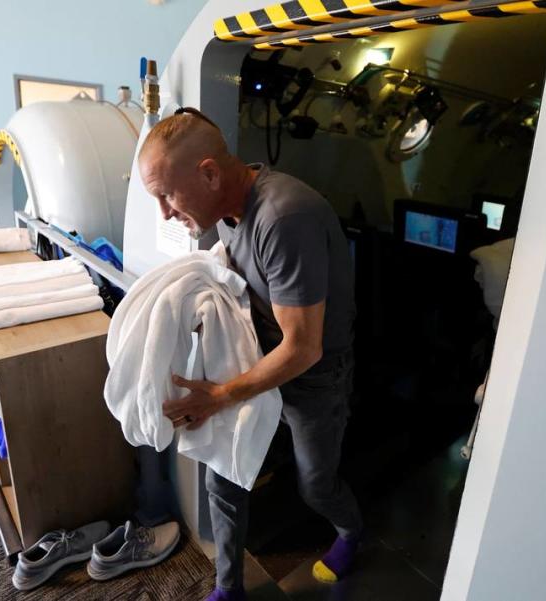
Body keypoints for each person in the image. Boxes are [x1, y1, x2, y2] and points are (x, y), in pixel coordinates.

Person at [138, 108, 363, 601]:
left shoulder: (284, 217)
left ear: (210, 174)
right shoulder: (225, 208)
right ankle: (229, 588)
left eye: (166, 195)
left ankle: (351, 533)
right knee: (223, 474)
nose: (166, 213)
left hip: (313, 374)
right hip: (262, 357)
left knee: (316, 485)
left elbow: (304, 348)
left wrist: (218, 395)